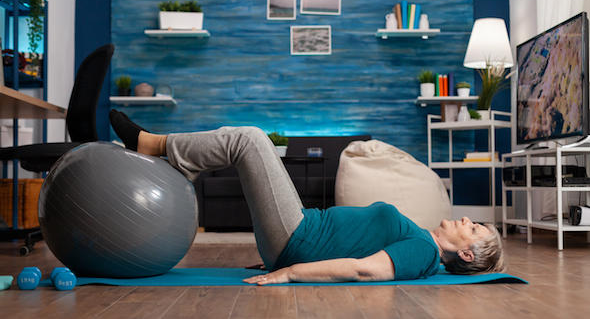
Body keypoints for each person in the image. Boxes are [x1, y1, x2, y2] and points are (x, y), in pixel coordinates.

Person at [109, 110, 505, 285]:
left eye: (475, 229)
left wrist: (291, 271)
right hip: (298, 231)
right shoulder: (423, 247)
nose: (467, 221)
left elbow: (364, 270)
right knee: (250, 141)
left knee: (249, 139)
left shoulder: (423, 252)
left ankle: (152, 144)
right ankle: (180, 161)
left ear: (466, 254)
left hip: (296, 236)